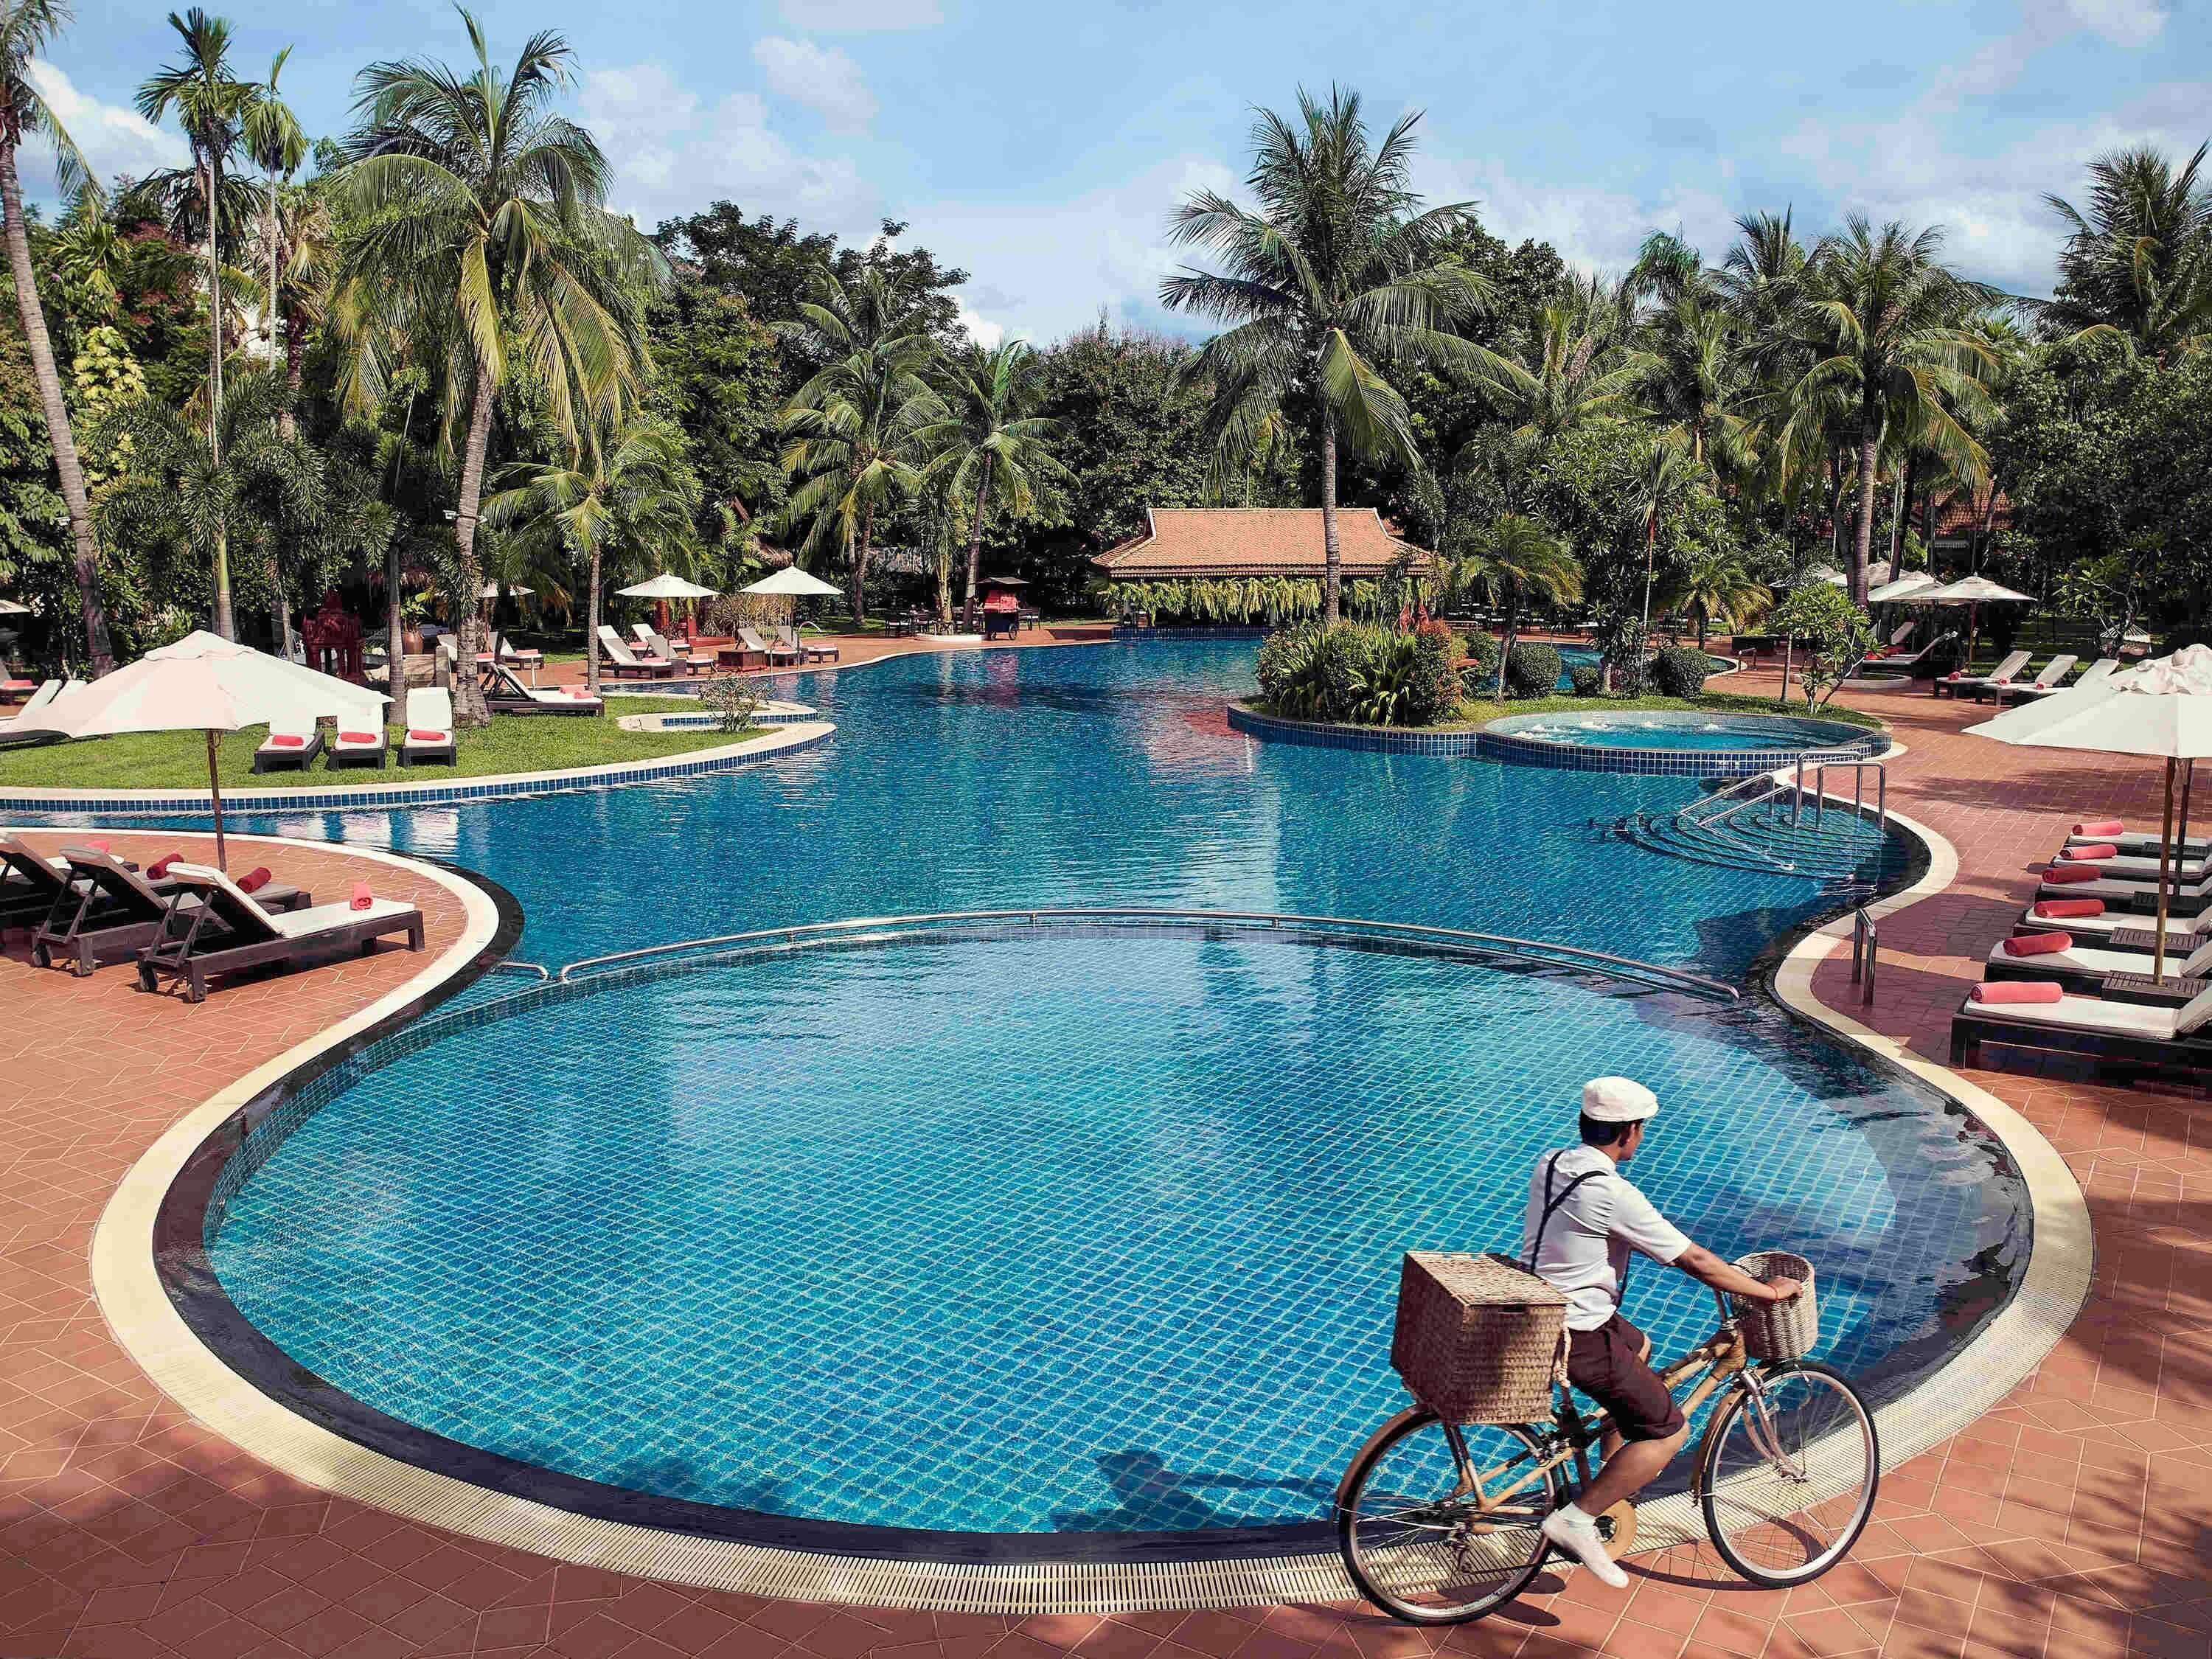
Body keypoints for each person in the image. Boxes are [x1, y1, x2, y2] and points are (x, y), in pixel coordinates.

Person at [1523, 1076, 1802, 1589]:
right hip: (1578, 1333)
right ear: (1629, 1132)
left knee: (1641, 1345)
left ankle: (1612, 1488)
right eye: (1642, 1130)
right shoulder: (1612, 1192)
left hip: (1544, 1309)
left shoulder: (1554, 1161)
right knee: (1671, 1431)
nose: (1642, 1138)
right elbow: (1693, 1259)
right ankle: (1577, 1519)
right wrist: (1769, 1293)